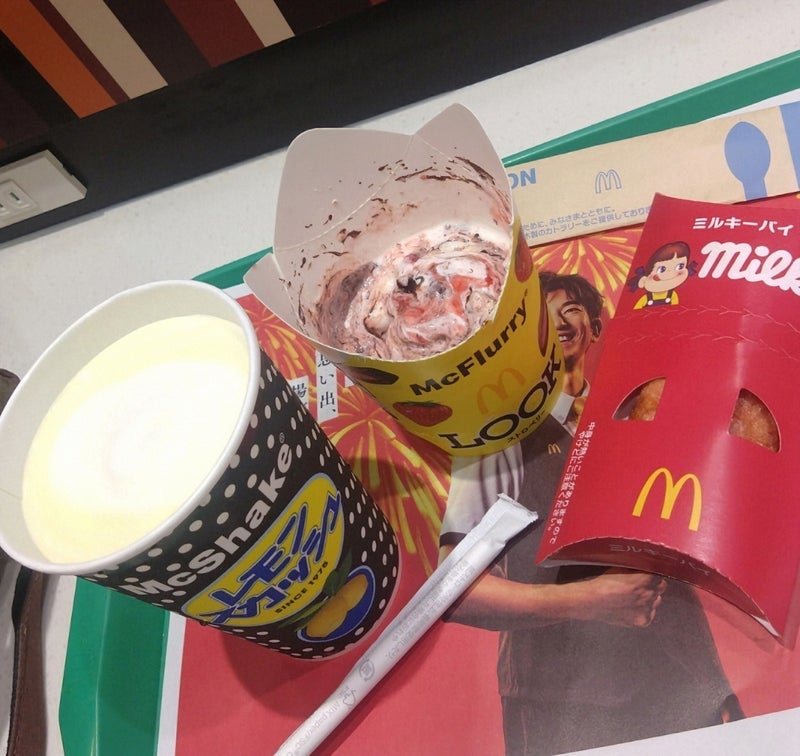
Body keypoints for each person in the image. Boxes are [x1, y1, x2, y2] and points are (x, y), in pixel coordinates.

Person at [439, 270, 742, 755]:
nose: (560, 322)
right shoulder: (494, 435)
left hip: (677, 684)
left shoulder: (632, 414)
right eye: (544, 315)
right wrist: (592, 599)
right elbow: (454, 591)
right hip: (562, 701)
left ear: (595, 328)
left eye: (572, 310)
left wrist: (714, 686)